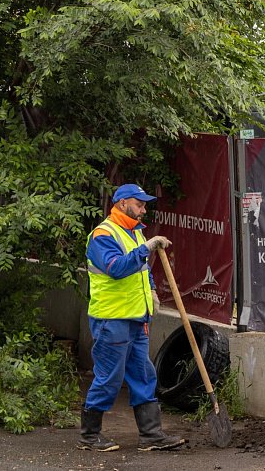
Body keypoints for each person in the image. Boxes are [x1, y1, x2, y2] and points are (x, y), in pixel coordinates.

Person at [78, 183, 185, 452]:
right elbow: (117, 268)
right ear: (123, 203)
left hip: (137, 317)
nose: (143, 209)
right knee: (109, 377)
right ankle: (89, 436)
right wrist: (146, 248)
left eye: (144, 204)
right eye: (139, 203)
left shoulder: (134, 232)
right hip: (111, 318)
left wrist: (151, 290)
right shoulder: (103, 235)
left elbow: (141, 270)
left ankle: (151, 435)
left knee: (143, 374)